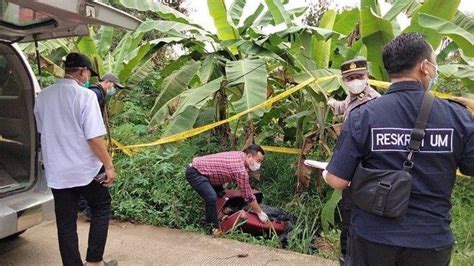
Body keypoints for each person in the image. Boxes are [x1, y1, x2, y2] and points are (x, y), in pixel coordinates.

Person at [323, 32, 474, 265]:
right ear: (425, 67)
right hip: (430, 241)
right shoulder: (457, 116)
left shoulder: (364, 116)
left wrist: (326, 172)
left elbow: (337, 181)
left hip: (373, 239)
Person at [34, 52, 117, 266]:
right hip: (84, 170)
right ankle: (94, 261)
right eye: (88, 72)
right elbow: (94, 138)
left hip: (57, 172)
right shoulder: (85, 96)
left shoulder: (42, 96)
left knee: (66, 222)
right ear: (82, 71)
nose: (88, 76)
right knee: (101, 206)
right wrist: (108, 165)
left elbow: (43, 130)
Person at [327, 56, 381, 264]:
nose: (355, 81)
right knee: (347, 215)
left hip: (366, 170)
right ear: (344, 80)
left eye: (359, 76)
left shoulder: (376, 102)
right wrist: (334, 104)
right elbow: (345, 107)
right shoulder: (351, 98)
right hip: (349, 167)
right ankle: (345, 256)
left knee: (363, 215)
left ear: (367, 76)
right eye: (350, 78)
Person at [185, 144, 269, 233]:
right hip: (196, 172)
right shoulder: (240, 170)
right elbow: (248, 196)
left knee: (220, 193)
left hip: (210, 174)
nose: (259, 164)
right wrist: (260, 213)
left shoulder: (240, 155)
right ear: (249, 156)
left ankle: (218, 213)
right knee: (211, 197)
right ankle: (212, 228)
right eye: (258, 161)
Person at [79, 73, 124, 220]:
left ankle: (83, 206)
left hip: (87, 142)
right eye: (115, 86)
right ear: (108, 82)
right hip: (91, 142)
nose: (114, 90)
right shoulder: (95, 94)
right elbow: (91, 125)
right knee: (99, 175)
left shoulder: (96, 93)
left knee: (88, 176)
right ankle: (91, 211)